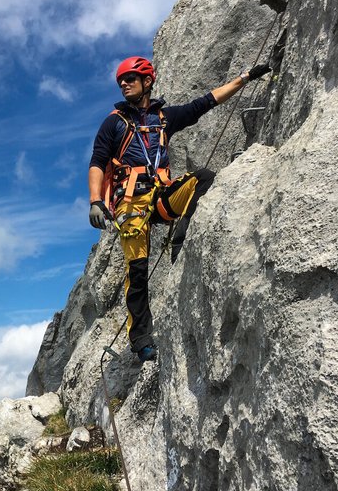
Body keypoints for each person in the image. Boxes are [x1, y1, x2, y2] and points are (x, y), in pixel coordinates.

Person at [88, 56, 270, 362]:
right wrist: (95, 201)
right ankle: (141, 339)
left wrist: (245, 77)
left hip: (160, 196)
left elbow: (206, 102)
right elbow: (98, 161)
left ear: (147, 82)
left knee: (203, 179)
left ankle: (180, 241)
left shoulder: (164, 118)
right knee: (137, 271)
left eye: (130, 78)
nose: (123, 84)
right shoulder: (114, 124)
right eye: (121, 80)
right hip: (130, 205)